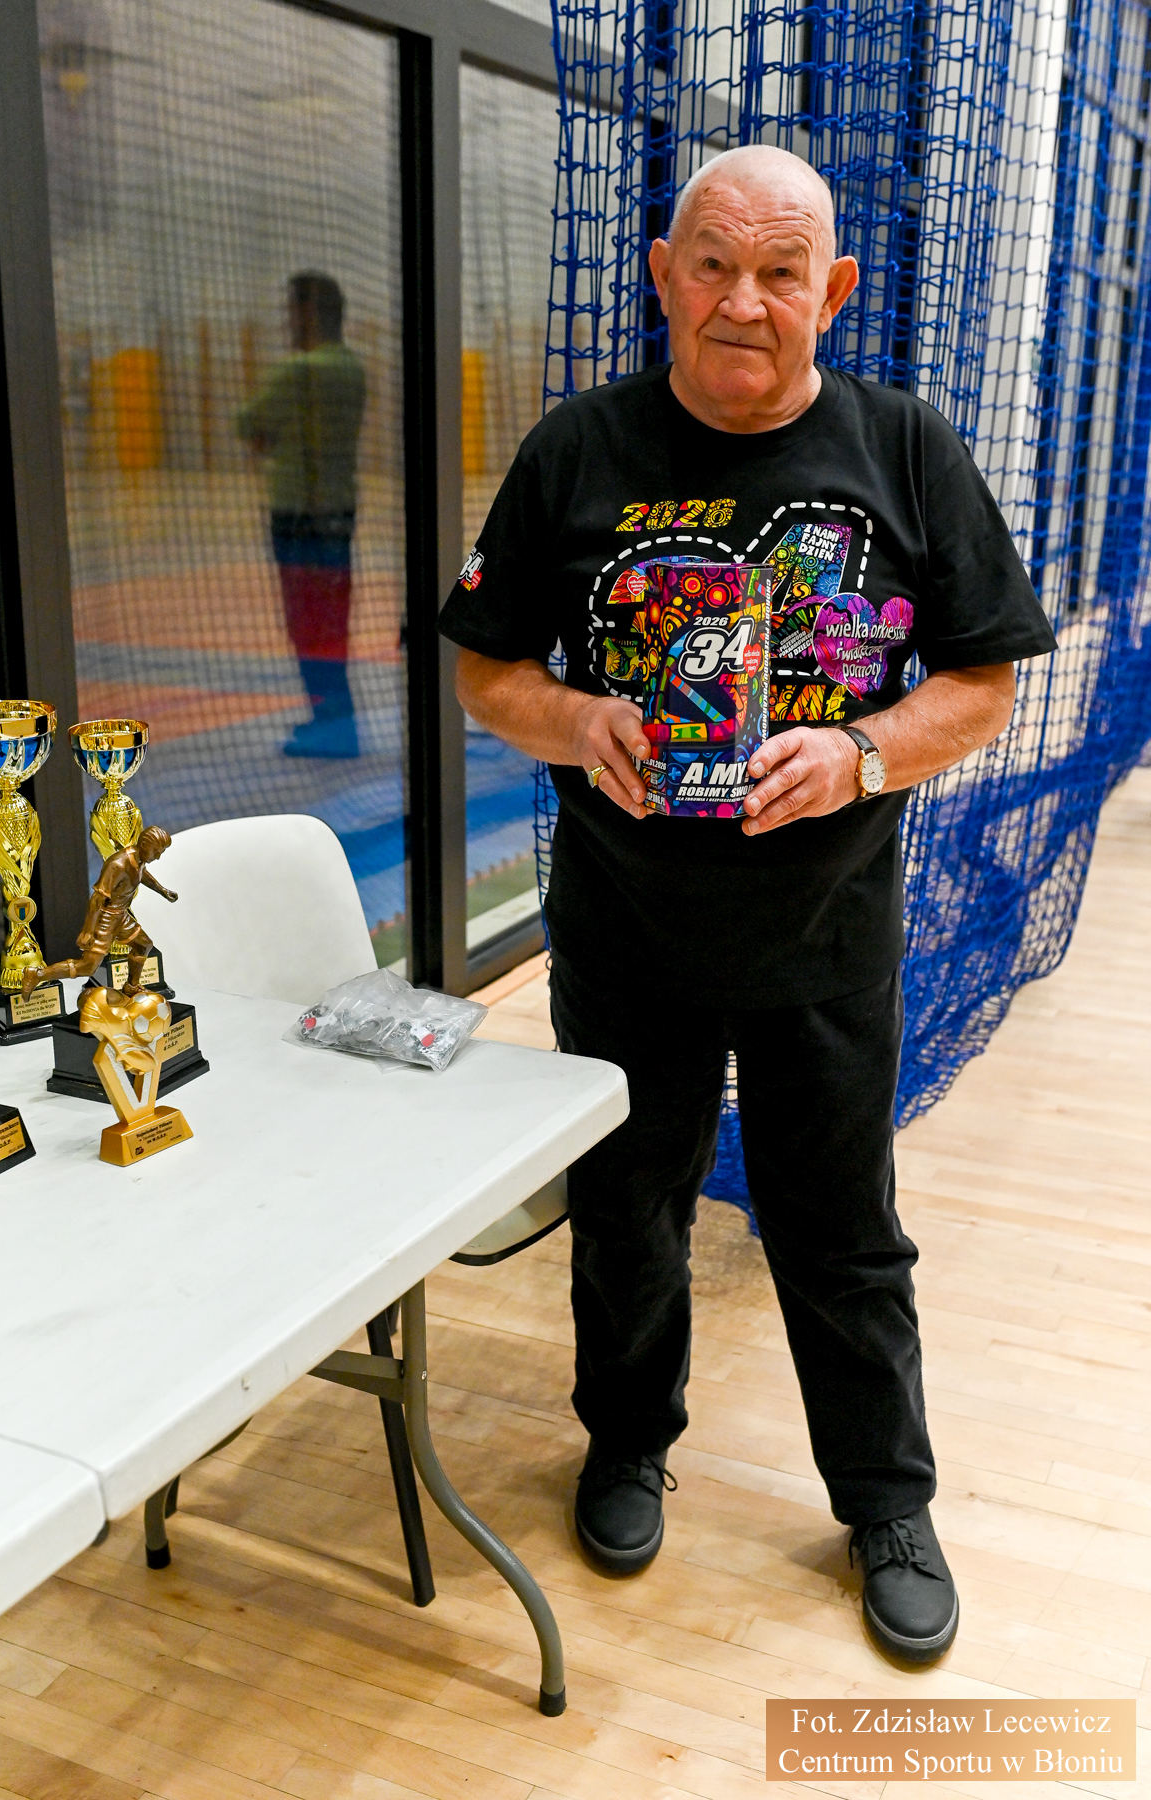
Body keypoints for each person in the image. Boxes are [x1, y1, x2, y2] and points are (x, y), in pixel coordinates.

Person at [438, 146, 1057, 1666]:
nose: (741, 300)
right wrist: (580, 722)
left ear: (830, 292)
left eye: (781, 273)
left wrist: (858, 754)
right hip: (626, 930)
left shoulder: (905, 448)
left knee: (842, 1235)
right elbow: (485, 669)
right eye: (712, 264)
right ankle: (626, 1440)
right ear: (663, 274)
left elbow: (983, 682)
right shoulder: (577, 449)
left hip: (827, 935)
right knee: (627, 1214)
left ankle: (888, 1505)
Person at [237, 271, 367, 759]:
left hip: (298, 517)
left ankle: (332, 727)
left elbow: (249, 423)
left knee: (308, 625)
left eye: (292, 310)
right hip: (338, 511)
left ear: (309, 313)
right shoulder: (351, 369)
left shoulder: (298, 371)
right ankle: (335, 720)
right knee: (331, 622)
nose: (287, 320)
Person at [21, 826, 177, 1000]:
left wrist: (162, 890)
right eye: (156, 852)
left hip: (121, 917)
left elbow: (142, 873)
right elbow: (97, 899)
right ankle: (37, 975)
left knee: (143, 945)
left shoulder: (139, 860)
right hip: (105, 918)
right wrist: (88, 930)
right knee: (87, 967)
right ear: (145, 844)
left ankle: (132, 987)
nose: (158, 857)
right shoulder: (118, 864)